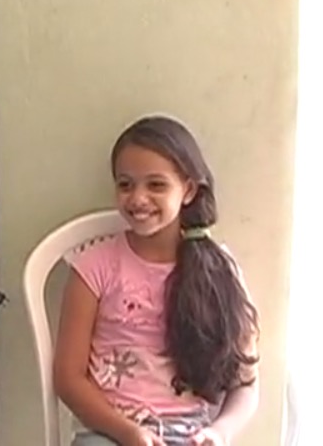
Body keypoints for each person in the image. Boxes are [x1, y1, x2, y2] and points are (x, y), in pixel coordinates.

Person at [53, 116, 260, 446]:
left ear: (188, 190)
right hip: (110, 432)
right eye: (125, 184)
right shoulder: (93, 267)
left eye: (156, 185)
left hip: (193, 436)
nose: (138, 198)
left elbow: (245, 384)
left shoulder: (219, 271)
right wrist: (129, 433)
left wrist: (219, 432)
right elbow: (68, 378)